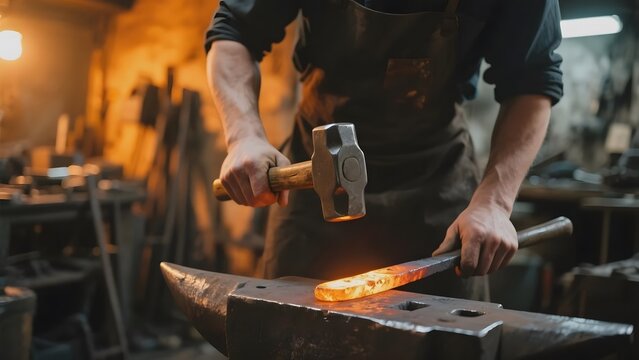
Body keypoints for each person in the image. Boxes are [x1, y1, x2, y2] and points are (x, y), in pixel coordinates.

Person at [205, 0, 563, 299]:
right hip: (313, 184)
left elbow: (532, 81)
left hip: (437, 182)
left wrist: (495, 203)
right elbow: (234, 32)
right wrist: (244, 136)